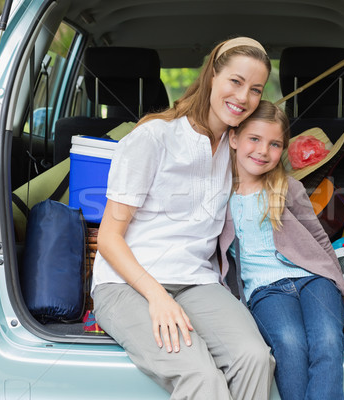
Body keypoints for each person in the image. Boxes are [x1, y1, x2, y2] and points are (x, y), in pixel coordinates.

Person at [91, 37, 275, 400]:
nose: (243, 97)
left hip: (195, 281)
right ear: (211, 77)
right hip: (126, 285)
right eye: (235, 82)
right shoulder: (154, 137)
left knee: (256, 359)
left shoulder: (237, 147)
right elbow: (109, 237)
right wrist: (157, 297)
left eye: (255, 90)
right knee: (201, 377)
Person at [218, 100, 344, 400]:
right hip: (266, 291)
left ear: (283, 149)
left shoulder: (287, 187)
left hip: (314, 280)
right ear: (233, 138)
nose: (262, 151)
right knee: (290, 344)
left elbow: (320, 240)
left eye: (274, 144)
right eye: (254, 139)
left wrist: (343, 291)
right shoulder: (220, 194)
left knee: (329, 341)